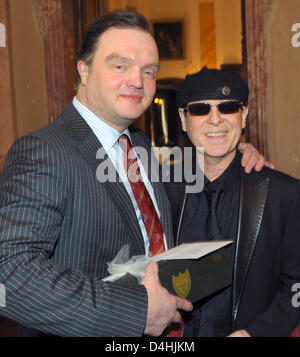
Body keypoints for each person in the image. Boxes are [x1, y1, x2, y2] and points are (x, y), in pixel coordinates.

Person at [0, 11, 267, 337]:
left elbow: (190, 180)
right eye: (120, 65)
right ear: (84, 70)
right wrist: (136, 312)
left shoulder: (138, 145)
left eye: (149, 71)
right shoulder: (45, 150)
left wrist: (236, 154)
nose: (137, 81)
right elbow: (9, 273)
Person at [165, 66, 300, 337]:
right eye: (200, 109)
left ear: (244, 115)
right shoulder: (160, 191)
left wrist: (256, 333)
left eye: (227, 107)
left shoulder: (285, 194)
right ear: (182, 118)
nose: (215, 120)